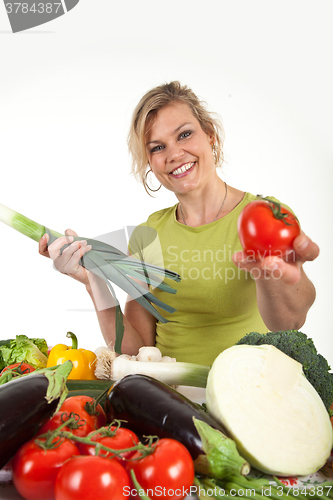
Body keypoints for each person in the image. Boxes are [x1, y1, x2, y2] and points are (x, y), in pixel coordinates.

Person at [39, 81, 319, 366]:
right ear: (150, 162)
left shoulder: (263, 217)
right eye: (158, 147)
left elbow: (290, 322)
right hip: (169, 399)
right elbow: (137, 351)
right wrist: (93, 281)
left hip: (249, 393)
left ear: (210, 134)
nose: (174, 154)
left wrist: (268, 272)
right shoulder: (151, 233)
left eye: (184, 135)